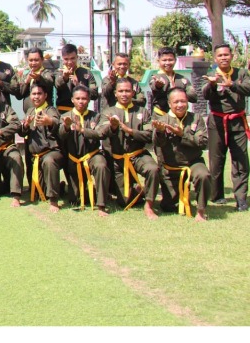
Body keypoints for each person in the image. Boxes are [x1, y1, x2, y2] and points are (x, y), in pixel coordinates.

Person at [147, 86, 211, 223]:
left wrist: (183, 134)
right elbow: (157, 144)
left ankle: (201, 211)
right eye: (176, 102)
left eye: (183, 101)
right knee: (169, 207)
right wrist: (160, 132)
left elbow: (203, 143)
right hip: (171, 167)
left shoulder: (196, 118)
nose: (180, 105)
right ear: (169, 104)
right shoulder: (162, 120)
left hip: (193, 162)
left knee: (203, 175)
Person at [202, 44, 248, 211]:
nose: (223, 58)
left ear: (231, 56)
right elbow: (205, 95)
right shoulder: (211, 74)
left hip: (237, 122)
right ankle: (217, 195)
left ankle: (241, 198)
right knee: (216, 160)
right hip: (217, 122)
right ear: (215, 58)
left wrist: (232, 85)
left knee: (240, 160)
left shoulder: (241, 73)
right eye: (220, 55)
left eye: (226, 55)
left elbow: (248, 88)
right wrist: (213, 85)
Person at [102, 78, 155, 210]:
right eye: (121, 91)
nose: (124, 94)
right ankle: (138, 190)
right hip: (119, 160)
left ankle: (149, 204)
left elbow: (149, 135)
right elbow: (101, 133)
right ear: (115, 93)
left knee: (153, 169)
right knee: (124, 202)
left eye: (127, 91)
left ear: (133, 93)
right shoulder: (108, 112)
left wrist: (130, 131)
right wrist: (112, 128)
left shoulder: (142, 111)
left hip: (138, 155)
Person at [60, 86, 111, 213]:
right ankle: (85, 190)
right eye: (77, 98)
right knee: (75, 200)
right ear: (72, 99)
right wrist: (66, 127)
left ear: (89, 100)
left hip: (92, 155)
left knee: (101, 165)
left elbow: (100, 133)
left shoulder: (96, 116)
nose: (81, 101)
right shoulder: (65, 116)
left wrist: (82, 130)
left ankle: (101, 205)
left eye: (84, 98)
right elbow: (60, 135)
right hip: (74, 160)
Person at [20, 85, 64, 206]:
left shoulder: (50, 110)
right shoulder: (30, 111)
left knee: (49, 161)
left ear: (45, 95)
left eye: (39, 94)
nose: (36, 97)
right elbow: (22, 131)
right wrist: (26, 125)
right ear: (30, 96)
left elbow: (56, 121)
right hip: (36, 156)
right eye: (34, 94)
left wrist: (49, 122)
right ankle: (59, 187)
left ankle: (54, 201)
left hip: (51, 153)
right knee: (41, 194)